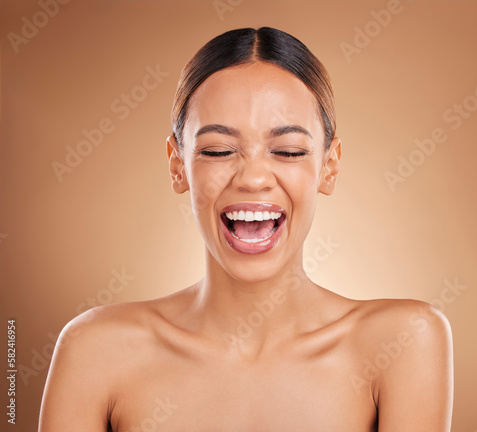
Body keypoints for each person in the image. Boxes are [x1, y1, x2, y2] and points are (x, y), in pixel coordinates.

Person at [39, 27, 453, 431]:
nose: (253, 178)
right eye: (218, 150)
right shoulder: (95, 351)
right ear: (177, 165)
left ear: (329, 167)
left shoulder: (404, 343)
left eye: (287, 151)